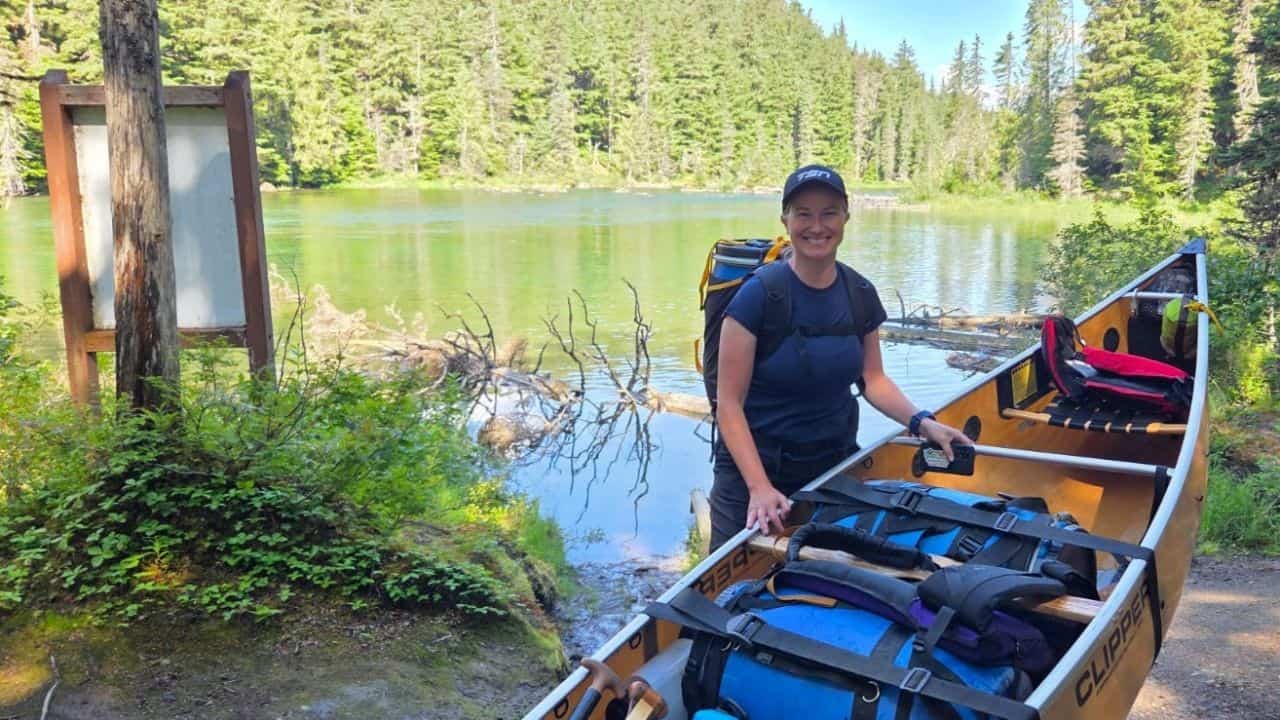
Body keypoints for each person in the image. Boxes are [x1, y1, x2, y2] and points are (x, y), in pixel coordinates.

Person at [709, 164, 972, 551]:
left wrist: (923, 422)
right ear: (785, 219)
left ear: (846, 216)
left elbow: (873, 380)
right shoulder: (758, 296)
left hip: (831, 467)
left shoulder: (858, 292)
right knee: (730, 594)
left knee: (829, 584)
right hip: (755, 474)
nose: (817, 226)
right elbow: (728, 404)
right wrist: (760, 488)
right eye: (804, 213)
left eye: (829, 212)